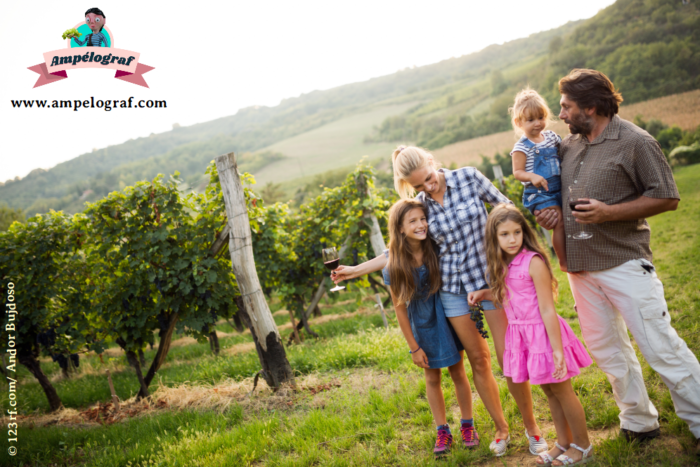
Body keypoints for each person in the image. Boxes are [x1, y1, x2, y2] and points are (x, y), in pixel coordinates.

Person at [333, 146, 549, 457]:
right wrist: (354, 270)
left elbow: (506, 209)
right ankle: (501, 429)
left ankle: (532, 428)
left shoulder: (469, 178)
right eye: (418, 186)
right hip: (452, 290)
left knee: (509, 360)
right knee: (479, 361)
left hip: (490, 282)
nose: (427, 188)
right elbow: (396, 248)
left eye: (429, 179)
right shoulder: (420, 207)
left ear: (434, 164)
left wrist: (518, 256)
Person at [535, 68, 700, 453]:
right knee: (608, 349)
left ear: (590, 107)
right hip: (581, 269)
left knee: (662, 347)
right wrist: (551, 215)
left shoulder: (636, 142)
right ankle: (638, 422)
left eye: (566, 106)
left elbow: (667, 197)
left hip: (624, 264)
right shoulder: (570, 145)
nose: (560, 114)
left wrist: (609, 213)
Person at [470, 204, 593, 465]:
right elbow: (512, 294)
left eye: (516, 232)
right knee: (549, 391)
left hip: (544, 334)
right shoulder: (504, 264)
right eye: (504, 234)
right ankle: (562, 442)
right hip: (522, 336)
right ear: (494, 238)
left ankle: (582, 446)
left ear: (524, 232)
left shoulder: (533, 262)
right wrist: (484, 294)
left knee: (562, 390)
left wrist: (557, 350)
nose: (512, 239)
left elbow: (547, 309)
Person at [382, 198, 478, 458]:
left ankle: (468, 425)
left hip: (447, 312)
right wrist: (414, 347)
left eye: (422, 219)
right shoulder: (395, 264)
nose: (421, 224)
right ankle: (442, 429)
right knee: (432, 377)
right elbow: (400, 308)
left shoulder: (435, 247)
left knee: (458, 371)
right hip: (423, 322)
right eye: (412, 221)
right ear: (400, 229)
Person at [509, 88, 567, 271]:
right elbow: (517, 172)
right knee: (559, 222)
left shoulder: (551, 137)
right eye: (531, 119)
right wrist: (532, 176)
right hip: (540, 193)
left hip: (559, 187)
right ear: (518, 122)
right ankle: (564, 262)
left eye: (541, 117)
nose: (538, 123)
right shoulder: (522, 147)